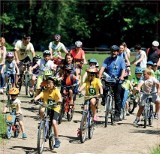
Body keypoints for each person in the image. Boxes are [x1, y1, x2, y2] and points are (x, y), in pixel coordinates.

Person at [31, 76, 62, 148]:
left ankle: (57, 139)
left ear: (53, 84)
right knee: (41, 110)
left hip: (55, 108)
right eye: (47, 83)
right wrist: (34, 99)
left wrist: (59, 101)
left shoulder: (56, 90)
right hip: (47, 107)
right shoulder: (45, 91)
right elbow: (39, 95)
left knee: (54, 122)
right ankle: (42, 121)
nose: (48, 84)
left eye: (50, 83)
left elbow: (59, 97)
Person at [99, 45, 126, 121]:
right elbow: (102, 68)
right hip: (108, 78)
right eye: (112, 51)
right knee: (102, 86)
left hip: (117, 79)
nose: (113, 53)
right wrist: (100, 76)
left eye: (115, 51)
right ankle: (104, 100)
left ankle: (117, 114)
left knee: (117, 97)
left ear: (117, 52)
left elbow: (123, 69)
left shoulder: (121, 60)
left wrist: (121, 76)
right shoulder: (107, 59)